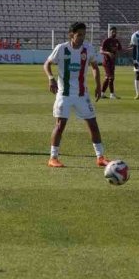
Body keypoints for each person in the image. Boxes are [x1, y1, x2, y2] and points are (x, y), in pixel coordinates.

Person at [42, 22, 108, 169]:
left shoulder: (88, 48)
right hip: (64, 94)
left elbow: (95, 67)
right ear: (71, 34)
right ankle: (53, 158)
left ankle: (100, 157)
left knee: (93, 124)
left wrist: (98, 85)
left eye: (83, 35)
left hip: (82, 94)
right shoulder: (61, 48)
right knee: (60, 125)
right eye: (79, 35)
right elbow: (46, 64)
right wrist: (51, 78)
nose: (82, 38)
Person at [100, 26, 122, 99]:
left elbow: (120, 49)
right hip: (107, 62)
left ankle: (102, 93)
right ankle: (112, 94)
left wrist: (130, 48)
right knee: (111, 78)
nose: (114, 33)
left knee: (107, 78)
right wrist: (108, 53)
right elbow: (101, 51)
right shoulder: (106, 41)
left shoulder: (116, 41)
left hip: (112, 62)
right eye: (112, 32)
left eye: (115, 32)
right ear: (109, 32)